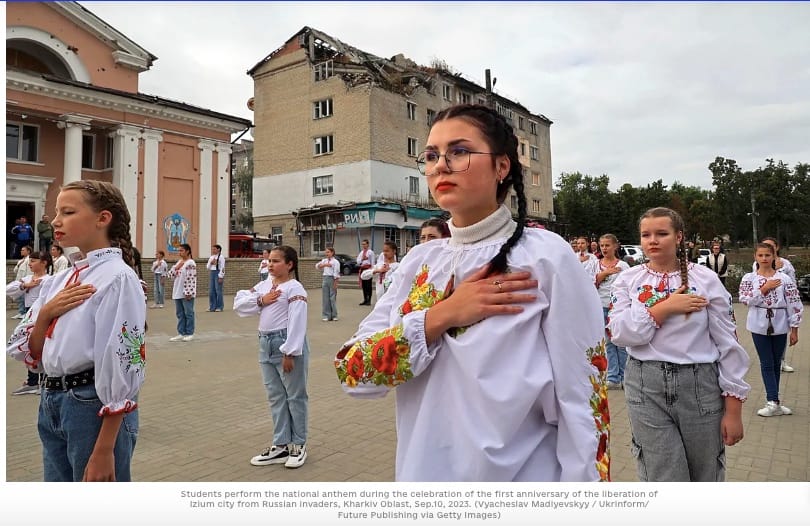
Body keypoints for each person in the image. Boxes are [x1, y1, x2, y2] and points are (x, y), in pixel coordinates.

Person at [334, 104, 608, 482]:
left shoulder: (545, 257)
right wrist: (442, 316)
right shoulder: (419, 263)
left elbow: (582, 398)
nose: (441, 165)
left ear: (502, 167)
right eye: (431, 155)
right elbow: (353, 373)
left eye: (459, 152)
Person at [6, 180, 146, 481]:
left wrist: (105, 448)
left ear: (102, 218)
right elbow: (31, 349)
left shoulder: (117, 277)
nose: (56, 221)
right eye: (57, 212)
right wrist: (45, 314)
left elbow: (124, 362)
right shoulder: (61, 278)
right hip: (51, 400)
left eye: (67, 212)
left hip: (91, 406)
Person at [609, 207, 750, 482]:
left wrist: (733, 410)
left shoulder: (704, 279)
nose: (652, 240)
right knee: (663, 475)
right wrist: (663, 309)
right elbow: (619, 333)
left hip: (699, 386)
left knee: (704, 474)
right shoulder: (628, 279)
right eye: (646, 234)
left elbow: (728, 343)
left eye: (662, 233)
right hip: (645, 385)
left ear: (679, 237)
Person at [234, 246, 310, 469]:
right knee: (276, 396)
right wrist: (262, 300)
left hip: (285, 343)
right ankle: (281, 444)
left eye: (276, 261)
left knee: (295, 396)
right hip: (265, 344)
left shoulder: (295, 289)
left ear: (289, 265)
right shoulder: (265, 285)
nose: (270, 264)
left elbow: (297, 322)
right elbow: (240, 303)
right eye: (269, 260)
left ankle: (299, 444)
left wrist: (290, 352)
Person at [739, 243, 802, 417]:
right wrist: (763, 289)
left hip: (780, 324)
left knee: (775, 363)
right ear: (755, 257)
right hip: (759, 325)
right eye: (761, 255)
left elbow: (794, 303)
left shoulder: (784, 279)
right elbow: (745, 299)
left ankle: (775, 402)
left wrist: (794, 328)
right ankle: (772, 400)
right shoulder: (749, 278)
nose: (764, 259)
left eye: (768, 255)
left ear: (774, 256)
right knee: (766, 363)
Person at [7, 250, 53, 395]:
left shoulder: (50, 279)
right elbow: (8, 289)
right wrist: (25, 286)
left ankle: (45, 380)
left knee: (45, 347)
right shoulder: (27, 279)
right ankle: (32, 381)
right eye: (30, 261)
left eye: (33, 260)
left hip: (44, 316)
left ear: (44, 263)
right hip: (29, 315)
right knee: (29, 347)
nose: (30, 263)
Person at [754, 237, 797, 373]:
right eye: (761, 254)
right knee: (767, 359)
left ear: (776, 249)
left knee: (779, 340)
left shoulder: (786, 265)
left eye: (769, 248)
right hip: (761, 313)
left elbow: (791, 286)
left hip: (780, 311)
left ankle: (781, 361)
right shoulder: (755, 268)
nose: (764, 256)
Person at [594, 234, 630, 390]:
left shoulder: (623, 266)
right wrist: (604, 274)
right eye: (602, 245)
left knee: (620, 341)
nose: (604, 248)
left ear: (615, 246)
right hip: (601, 305)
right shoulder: (595, 264)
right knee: (608, 342)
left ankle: (625, 376)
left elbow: (628, 287)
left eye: (607, 245)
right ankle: (613, 376)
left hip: (617, 308)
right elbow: (590, 283)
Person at [167, 243, 197, 342]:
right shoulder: (179, 262)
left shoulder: (190, 263)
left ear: (187, 251)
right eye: (179, 250)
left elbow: (191, 278)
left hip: (186, 292)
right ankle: (181, 332)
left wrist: (188, 292)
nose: (180, 252)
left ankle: (189, 333)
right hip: (177, 291)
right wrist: (176, 267)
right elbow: (170, 276)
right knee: (180, 313)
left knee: (188, 313)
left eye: (181, 250)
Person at [316, 247, 340, 322]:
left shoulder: (335, 262)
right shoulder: (324, 260)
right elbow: (317, 266)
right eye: (326, 252)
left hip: (332, 278)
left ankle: (334, 315)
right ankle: (326, 315)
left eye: (328, 252)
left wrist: (336, 282)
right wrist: (323, 265)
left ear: (332, 253)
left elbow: (337, 272)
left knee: (332, 298)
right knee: (325, 298)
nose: (327, 254)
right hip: (325, 278)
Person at [12, 245, 33, 319]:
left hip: (24, 281)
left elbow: (29, 272)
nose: (21, 251)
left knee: (23, 298)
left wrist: (27, 282)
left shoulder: (29, 260)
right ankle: (21, 312)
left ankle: (24, 313)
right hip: (18, 281)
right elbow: (15, 270)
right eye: (21, 250)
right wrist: (18, 265)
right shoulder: (20, 261)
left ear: (28, 251)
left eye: (23, 250)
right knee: (19, 297)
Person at [206, 244, 225, 312]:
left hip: (218, 273)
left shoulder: (221, 257)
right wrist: (211, 263)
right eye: (212, 249)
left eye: (214, 249)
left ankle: (219, 306)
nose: (213, 250)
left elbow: (222, 268)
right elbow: (207, 267)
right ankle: (212, 306)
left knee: (218, 291)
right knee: (211, 291)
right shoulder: (211, 257)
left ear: (218, 249)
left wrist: (221, 276)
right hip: (212, 273)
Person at [356, 239, 375, 305]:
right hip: (362, 269)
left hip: (368, 269)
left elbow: (372, 261)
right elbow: (358, 261)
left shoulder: (370, 252)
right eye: (363, 244)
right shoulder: (361, 253)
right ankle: (365, 299)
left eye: (365, 244)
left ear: (368, 244)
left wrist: (372, 270)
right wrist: (362, 259)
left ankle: (369, 300)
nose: (363, 245)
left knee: (368, 285)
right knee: (364, 285)